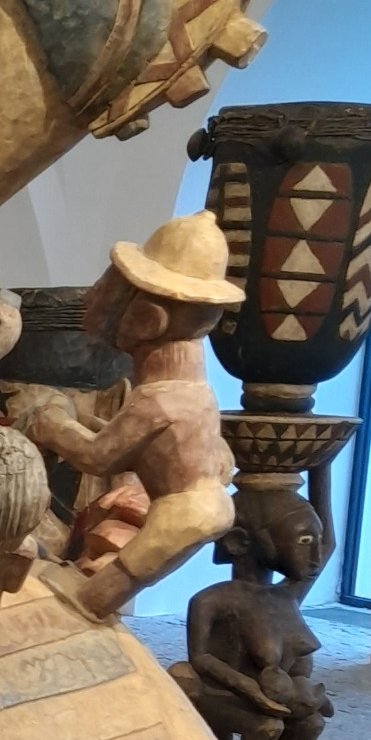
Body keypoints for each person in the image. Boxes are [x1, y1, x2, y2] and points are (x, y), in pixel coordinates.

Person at [24, 212, 241, 619]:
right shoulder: (190, 392)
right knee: (94, 591)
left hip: (182, 515)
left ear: (146, 321)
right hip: (205, 507)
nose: (90, 300)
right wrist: (86, 423)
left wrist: (54, 427)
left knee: (91, 600)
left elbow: (98, 457)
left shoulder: (159, 401)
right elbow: (142, 448)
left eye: (103, 293)